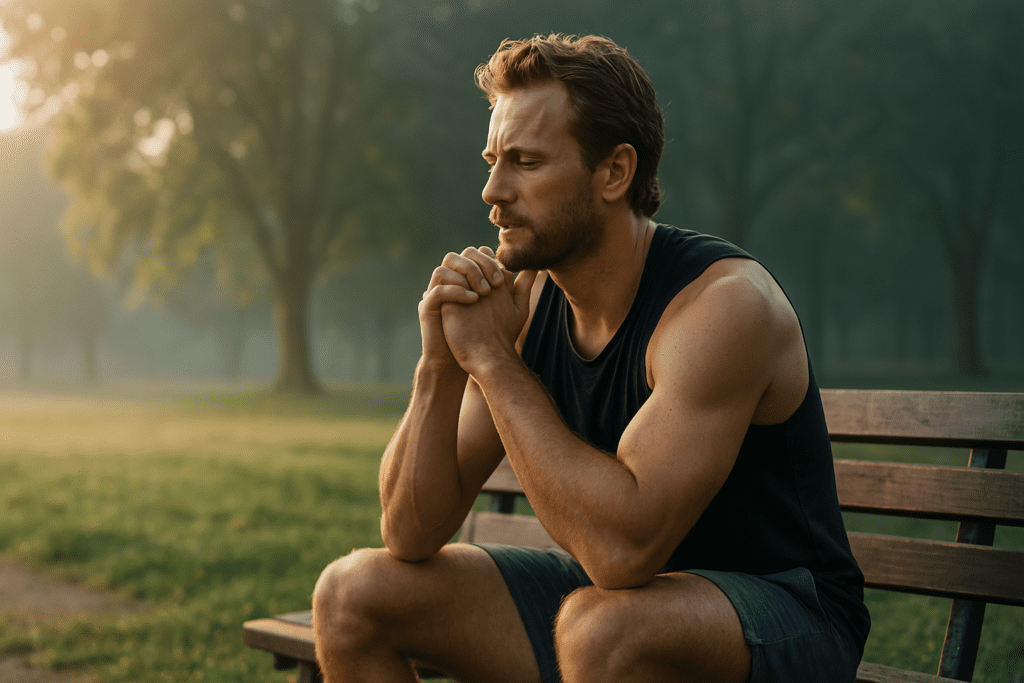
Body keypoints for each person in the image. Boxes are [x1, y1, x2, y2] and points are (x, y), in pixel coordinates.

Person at [312, 34, 870, 683]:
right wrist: (441, 362)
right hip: (619, 604)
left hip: (784, 612)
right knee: (352, 594)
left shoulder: (722, 308)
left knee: (601, 629)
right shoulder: (526, 301)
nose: (493, 191)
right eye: (492, 160)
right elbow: (410, 530)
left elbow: (621, 552)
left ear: (614, 172)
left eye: (525, 162)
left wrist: (493, 362)